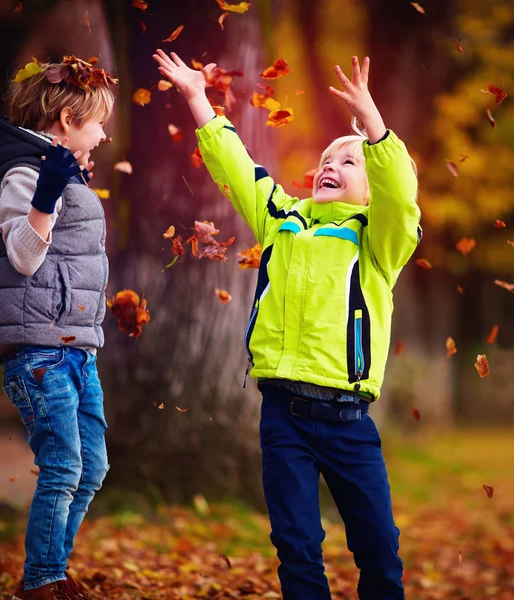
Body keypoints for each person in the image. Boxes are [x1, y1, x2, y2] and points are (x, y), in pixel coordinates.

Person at [153, 49, 421, 599]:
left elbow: (400, 194)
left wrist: (371, 125)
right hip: (283, 417)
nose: (331, 165)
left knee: (377, 545)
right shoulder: (283, 220)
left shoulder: (379, 240)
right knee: (296, 545)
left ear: (371, 188)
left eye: (350, 163)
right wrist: (198, 99)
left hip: (348, 422)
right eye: (327, 158)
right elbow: (237, 168)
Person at [0, 55, 117, 600]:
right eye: (97, 122)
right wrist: (49, 192)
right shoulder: (23, 173)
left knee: (91, 467)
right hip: (39, 350)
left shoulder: (53, 167)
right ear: (69, 119)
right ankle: (42, 583)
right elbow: (24, 257)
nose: (102, 134)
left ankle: (51, 568)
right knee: (63, 466)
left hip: (76, 347)